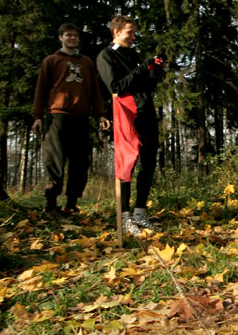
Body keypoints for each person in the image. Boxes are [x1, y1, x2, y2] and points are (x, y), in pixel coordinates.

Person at [96, 15, 165, 236]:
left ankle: (139, 214)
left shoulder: (134, 55)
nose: (134, 36)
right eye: (129, 33)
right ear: (116, 32)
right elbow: (116, 87)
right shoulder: (106, 56)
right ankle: (124, 217)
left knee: (149, 162)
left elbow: (145, 84)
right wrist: (141, 69)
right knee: (127, 164)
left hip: (147, 112)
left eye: (134, 32)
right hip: (127, 114)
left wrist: (154, 70)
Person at [32, 23, 110, 214]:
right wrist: (38, 116)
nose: (72, 38)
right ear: (61, 38)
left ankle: (72, 203)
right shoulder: (51, 61)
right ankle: (51, 204)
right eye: (68, 35)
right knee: (54, 160)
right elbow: (41, 89)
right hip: (57, 115)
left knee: (80, 162)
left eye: (75, 36)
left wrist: (100, 114)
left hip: (81, 117)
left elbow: (94, 90)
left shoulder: (86, 63)